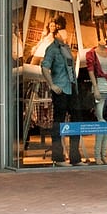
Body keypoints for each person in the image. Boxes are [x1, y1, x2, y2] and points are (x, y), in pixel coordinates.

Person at [41, 21, 80, 166]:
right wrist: (52, 84)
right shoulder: (52, 49)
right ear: (56, 34)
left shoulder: (67, 48)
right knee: (59, 121)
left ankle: (75, 157)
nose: (64, 35)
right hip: (61, 88)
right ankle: (58, 158)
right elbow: (44, 67)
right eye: (61, 32)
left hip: (71, 87)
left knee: (77, 121)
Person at [84, 38, 107, 162]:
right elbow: (91, 72)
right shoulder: (91, 53)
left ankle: (103, 155)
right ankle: (97, 155)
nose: (102, 40)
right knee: (101, 121)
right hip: (99, 86)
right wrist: (95, 88)